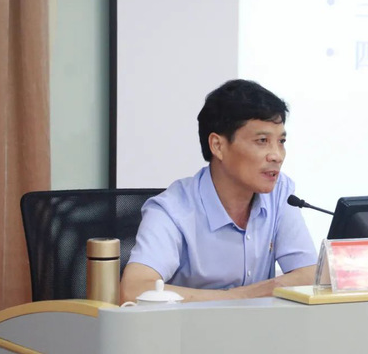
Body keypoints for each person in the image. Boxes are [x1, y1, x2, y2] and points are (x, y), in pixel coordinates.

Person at [120, 79, 317, 303]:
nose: (277, 156)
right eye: (262, 140)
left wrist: (259, 292)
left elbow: (309, 275)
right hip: (187, 326)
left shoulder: (280, 194)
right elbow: (134, 290)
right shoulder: (173, 209)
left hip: (261, 326)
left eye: (281, 141)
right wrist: (238, 297)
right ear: (218, 146)